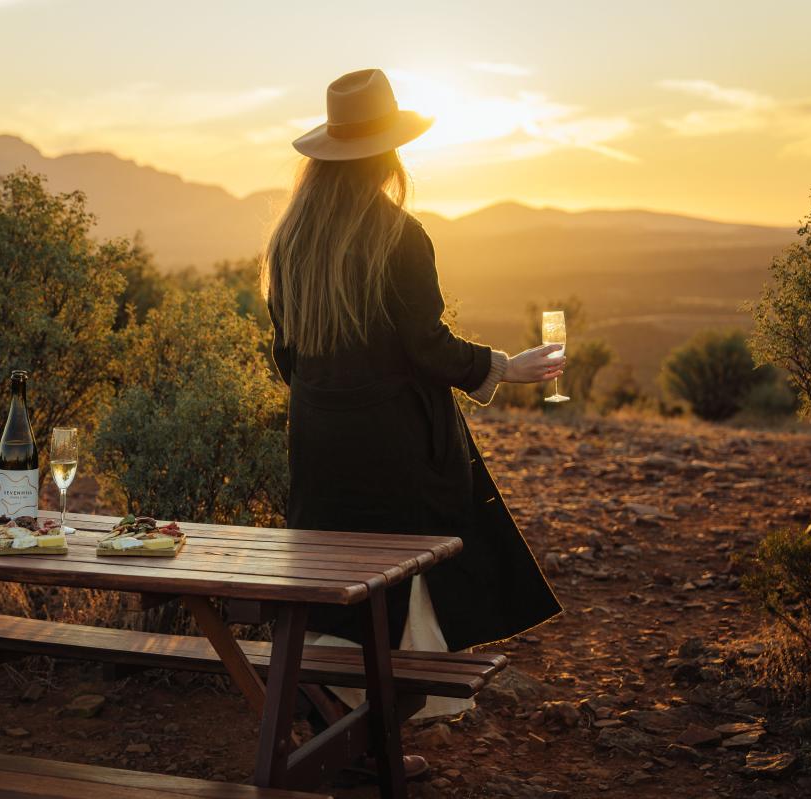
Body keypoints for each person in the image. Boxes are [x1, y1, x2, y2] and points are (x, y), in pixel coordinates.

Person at [262, 68, 564, 779]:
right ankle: (367, 746)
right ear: (388, 154)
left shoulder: (287, 242)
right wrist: (505, 367)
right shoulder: (399, 235)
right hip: (396, 452)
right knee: (409, 585)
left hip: (318, 448)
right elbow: (425, 345)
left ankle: (350, 739)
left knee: (335, 581)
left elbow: (286, 356)